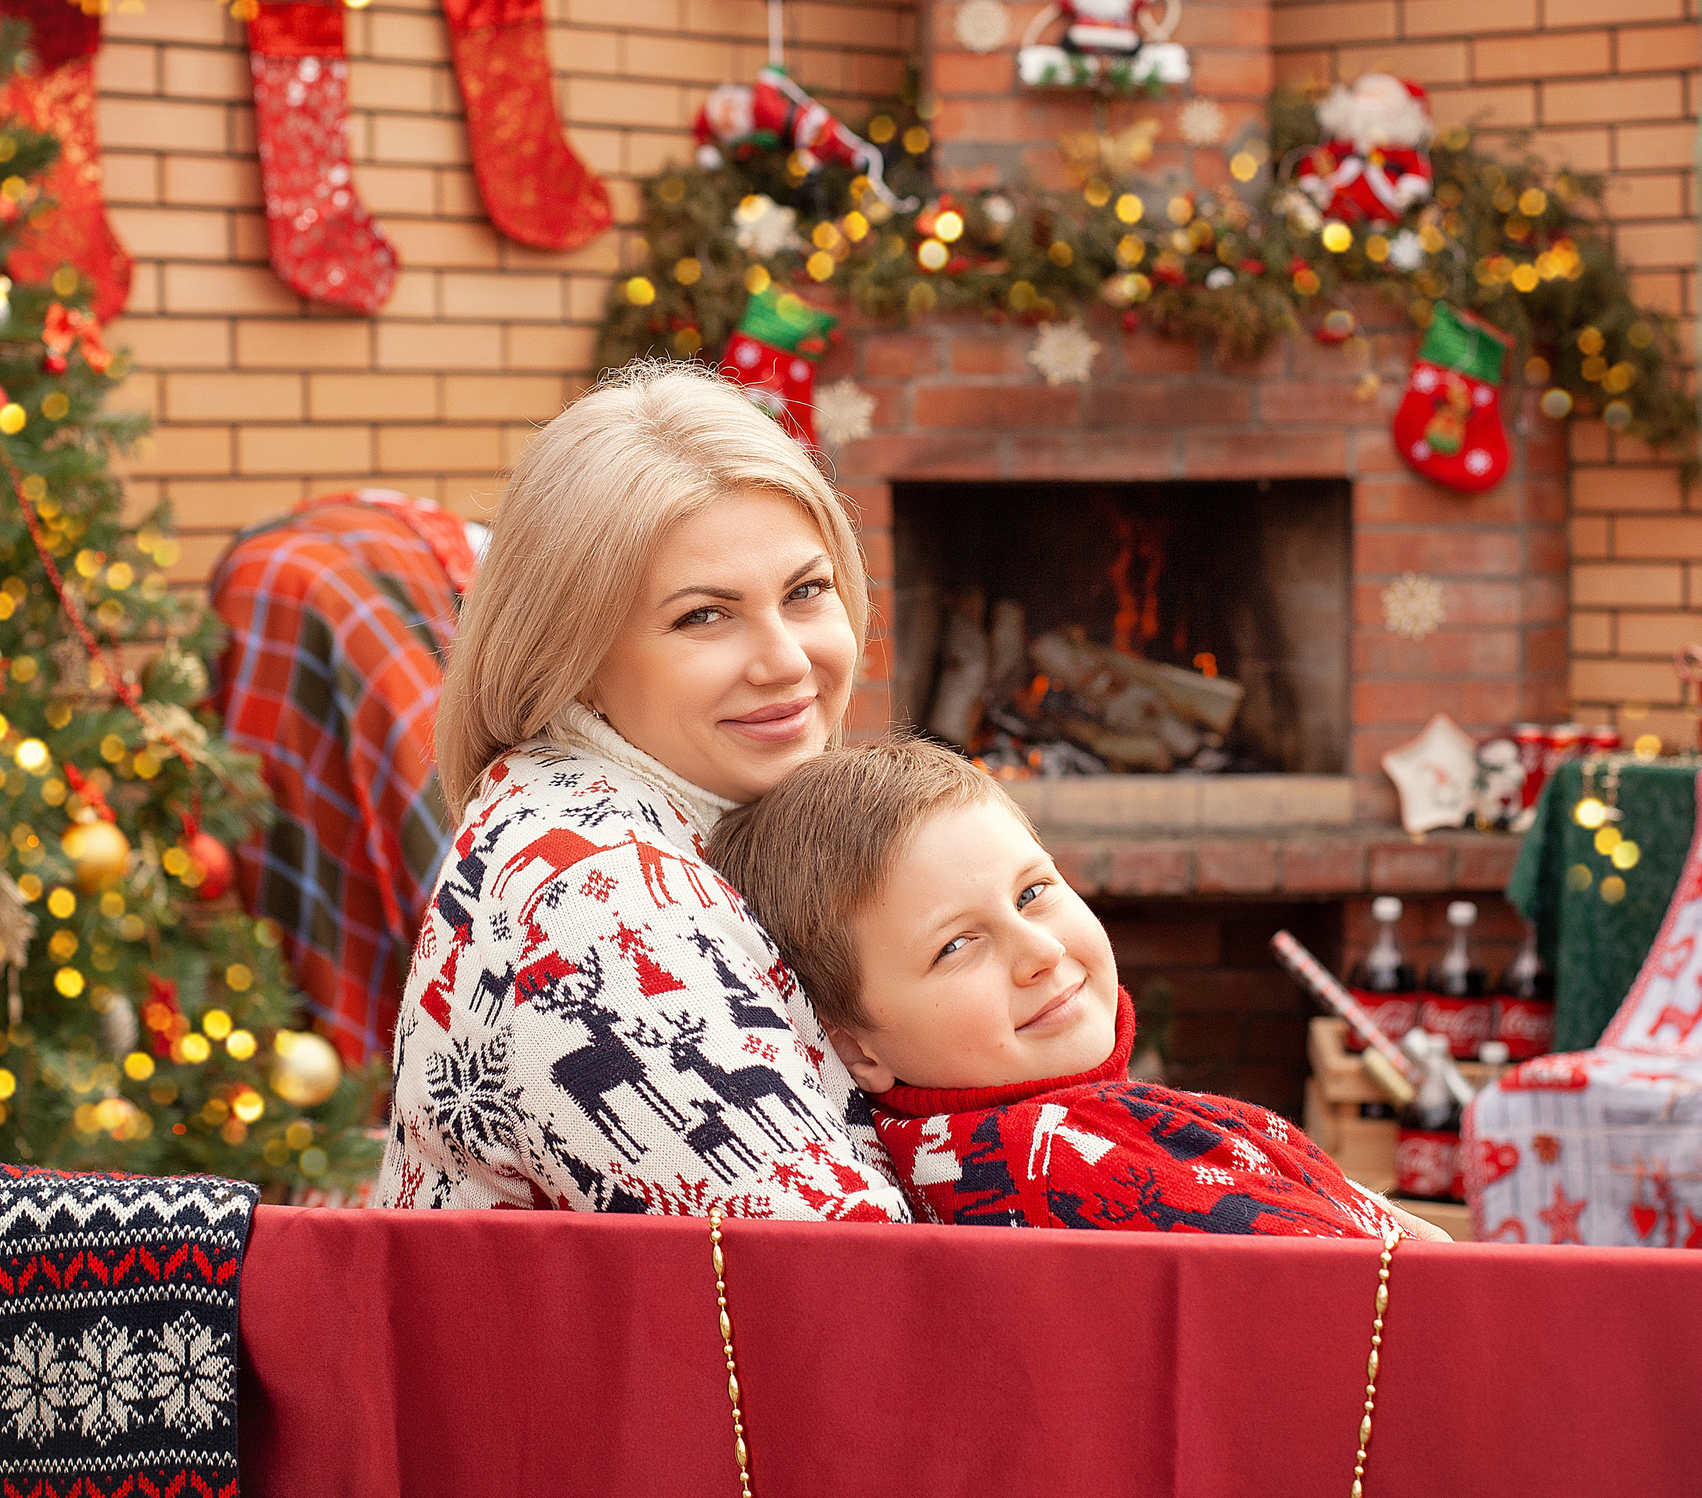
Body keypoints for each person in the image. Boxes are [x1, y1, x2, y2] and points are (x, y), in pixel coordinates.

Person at [375, 364, 909, 1221]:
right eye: (705, 615)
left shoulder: (660, 819)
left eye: (806, 592)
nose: (786, 661)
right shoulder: (595, 900)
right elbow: (849, 1297)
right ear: (573, 658)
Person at [707, 742, 1451, 1241]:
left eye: (1033, 892)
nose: (1040, 951)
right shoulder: (1043, 1167)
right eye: (957, 945)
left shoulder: (1071, 1119)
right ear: (855, 1048)